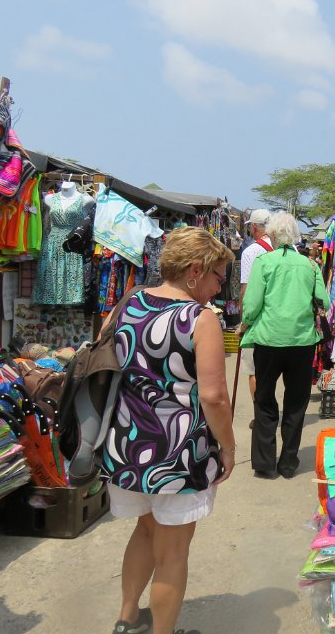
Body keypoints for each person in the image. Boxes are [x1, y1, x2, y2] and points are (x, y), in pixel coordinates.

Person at [104, 226, 236, 634]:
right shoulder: (200, 318)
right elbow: (213, 397)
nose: (219, 287)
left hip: (126, 443)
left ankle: (127, 620)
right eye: (218, 277)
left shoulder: (127, 302)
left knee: (145, 532)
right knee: (173, 551)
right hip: (178, 452)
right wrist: (228, 448)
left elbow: (103, 363)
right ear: (195, 271)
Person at [241, 212, 329, 479]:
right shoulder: (310, 265)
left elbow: (252, 304)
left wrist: (245, 322)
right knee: (296, 403)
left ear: (272, 234)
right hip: (301, 343)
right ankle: (288, 463)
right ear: (295, 235)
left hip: (269, 340)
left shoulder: (264, 262)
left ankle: (265, 463)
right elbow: (323, 301)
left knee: (265, 400)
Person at [238, 209, 272, 428]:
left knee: (254, 370)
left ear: (255, 227)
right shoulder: (291, 250)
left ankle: (261, 414)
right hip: (281, 321)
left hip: (258, 321)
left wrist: (243, 322)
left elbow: (245, 290)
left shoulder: (251, 252)